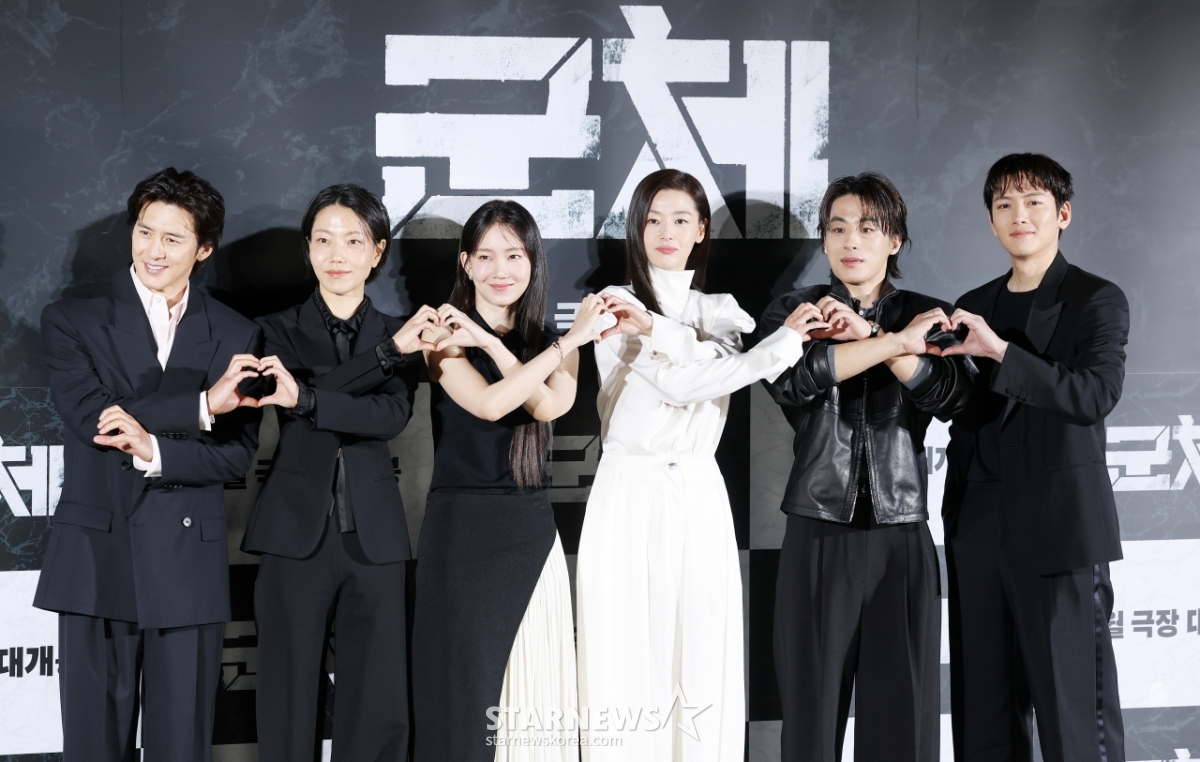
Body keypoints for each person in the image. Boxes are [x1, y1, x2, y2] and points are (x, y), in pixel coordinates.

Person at [574, 169, 821, 761]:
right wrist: (780, 346)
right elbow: (682, 383)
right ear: (636, 228)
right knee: (625, 648)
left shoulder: (721, 310)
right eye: (653, 219)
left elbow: (719, 367)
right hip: (628, 488)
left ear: (701, 230)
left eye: (681, 219)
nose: (667, 232)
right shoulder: (611, 306)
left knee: (703, 646)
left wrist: (669, 334)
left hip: (698, 488)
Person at [34, 167, 262, 762]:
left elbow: (237, 452)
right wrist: (202, 407)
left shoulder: (236, 332)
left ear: (203, 249)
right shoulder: (72, 318)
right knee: (93, 745)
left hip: (189, 566)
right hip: (97, 555)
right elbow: (97, 420)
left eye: (173, 238)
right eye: (144, 231)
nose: (153, 250)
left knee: (181, 746)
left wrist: (156, 449)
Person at [757, 172, 975, 762]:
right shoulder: (792, 312)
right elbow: (793, 382)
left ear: (895, 240)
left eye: (868, 227)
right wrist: (892, 343)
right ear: (824, 241)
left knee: (903, 719)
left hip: (900, 533)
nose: (851, 240)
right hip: (817, 530)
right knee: (810, 718)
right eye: (838, 228)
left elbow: (953, 397)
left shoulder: (928, 314)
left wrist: (880, 333)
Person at [940, 153, 1128, 762]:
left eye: (1033, 202)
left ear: (1063, 214)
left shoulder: (1095, 298)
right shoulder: (973, 302)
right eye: (1004, 205)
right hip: (979, 524)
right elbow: (959, 405)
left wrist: (1000, 352)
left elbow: (1093, 395)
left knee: (1075, 716)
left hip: (1059, 527)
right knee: (985, 715)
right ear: (991, 221)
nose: (1018, 215)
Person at [242, 184, 433, 760]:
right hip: (292, 533)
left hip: (374, 536)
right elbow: (290, 400)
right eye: (323, 240)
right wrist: (383, 358)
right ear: (307, 248)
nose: (337, 254)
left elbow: (389, 416)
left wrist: (309, 397)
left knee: (377, 700)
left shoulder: (399, 330)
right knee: (285, 695)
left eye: (353, 241)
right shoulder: (274, 329)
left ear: (377, 251)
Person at [411, 199, 604, 762]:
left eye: (515, 255)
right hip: (461, 532)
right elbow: (493, 404)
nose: (502, 269)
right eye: (487, 256)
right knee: (465, 697)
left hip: (529, 530)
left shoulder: (551, 341)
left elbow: (547, 407)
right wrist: (567, 343)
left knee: (532, 691)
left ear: (533, 261)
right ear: (466, 264)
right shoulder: (441, 335)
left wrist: (498, 344)